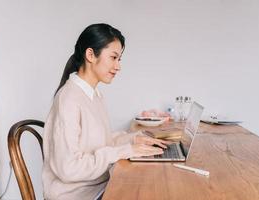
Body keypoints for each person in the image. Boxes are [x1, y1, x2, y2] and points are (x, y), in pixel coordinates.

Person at [42, 23, 169, 200]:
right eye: (113, 57)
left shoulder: (94, 95)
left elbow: (101, 143)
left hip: (97, 187)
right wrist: (124, 151)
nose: (118, 66)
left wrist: (133, 139)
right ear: (90, 55)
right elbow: (68, 168)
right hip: (77, 195)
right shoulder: (69, 99)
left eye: (119, 59)